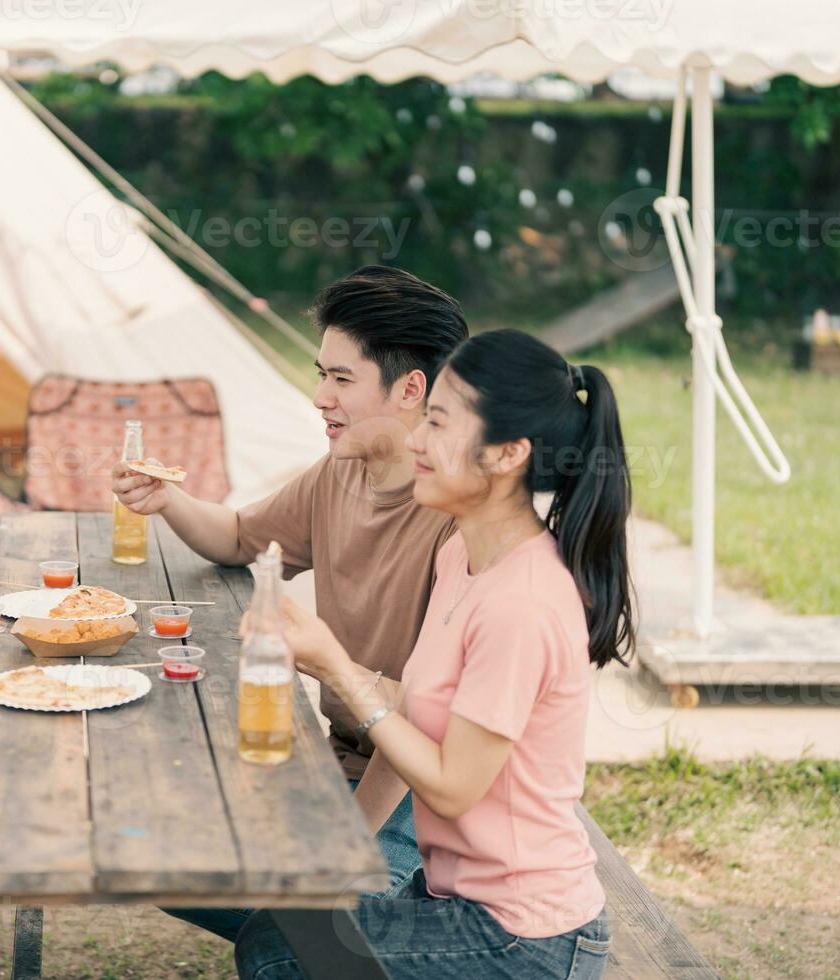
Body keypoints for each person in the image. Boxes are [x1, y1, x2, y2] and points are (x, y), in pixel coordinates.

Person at [234, 328, 630, 979]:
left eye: (439, 423)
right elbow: (416, 711)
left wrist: (333, 662)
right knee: (278, 930)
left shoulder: (523, 602)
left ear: (507, 454)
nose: (414, 438)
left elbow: (451, 786)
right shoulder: (463, 554)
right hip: (462, 900)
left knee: (282, 953)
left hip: (527, 938)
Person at [114, 266, 467, 928]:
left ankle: (308, 936)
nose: (318, 397)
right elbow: (242, 536)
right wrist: (169, 499)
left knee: (328, 918)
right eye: (321, 374)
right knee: (154, 852)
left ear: (410, 389)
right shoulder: (341, 473)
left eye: (341, 379)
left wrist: (345, 851)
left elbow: (427, 720)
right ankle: (295, 936)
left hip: (416, 793)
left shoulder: (457, 515)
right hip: (338, 760)